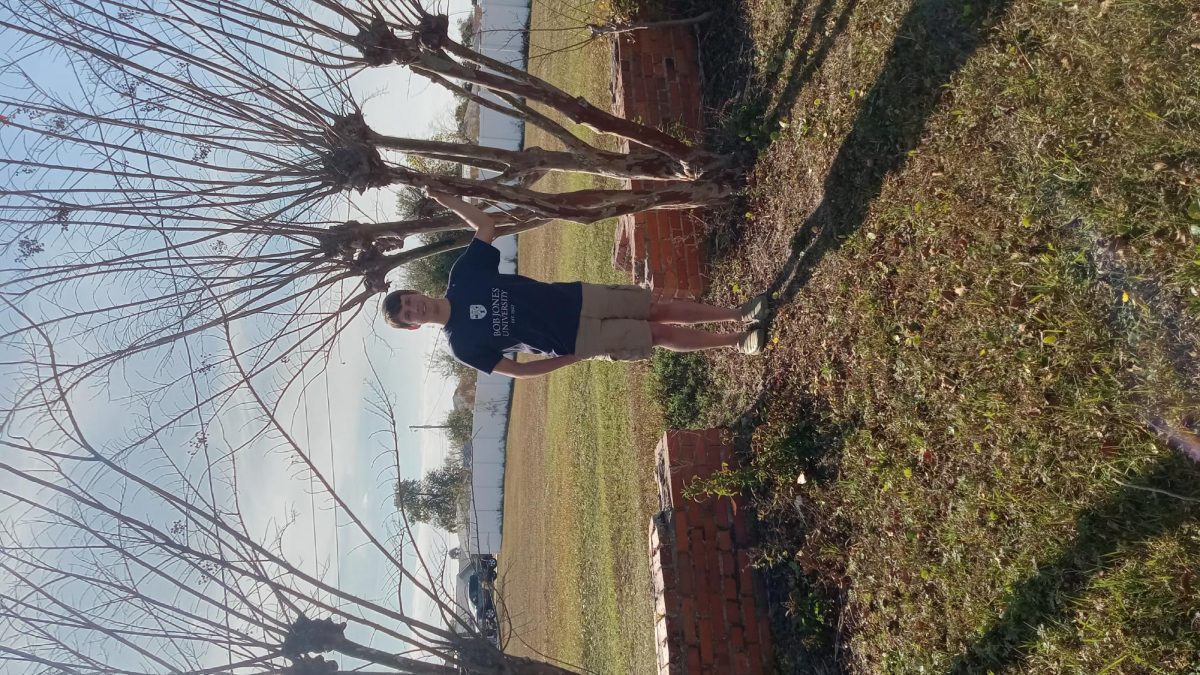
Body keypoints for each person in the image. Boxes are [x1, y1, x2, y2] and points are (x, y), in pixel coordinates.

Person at [381, 191, 769, 378]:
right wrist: (567, 359)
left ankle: (739, 313)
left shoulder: (462, 277)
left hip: (577, 295)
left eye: (409, 301)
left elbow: (486, 227)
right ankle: (737, 342)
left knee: (656, 307)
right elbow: (517, 371)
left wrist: (448, 199)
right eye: (408, 315)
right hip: (574, 339)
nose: (415, 308)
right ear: (414, 326)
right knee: (657, 333)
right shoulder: (462, 346)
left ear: (415, 293)